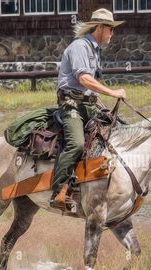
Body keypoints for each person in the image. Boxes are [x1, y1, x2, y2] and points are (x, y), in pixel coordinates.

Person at [50, 8, 127, 211]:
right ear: (100, 28)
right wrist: (112, 92)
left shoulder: (94, 49)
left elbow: (88, 87)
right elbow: (83, 79)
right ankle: (58, 191)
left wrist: (103, 106)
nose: (112, 33)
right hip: (72, 105)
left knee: (117, 129)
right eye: (110, 29)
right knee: (76, 144)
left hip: (88, 105)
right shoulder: (79, 47)